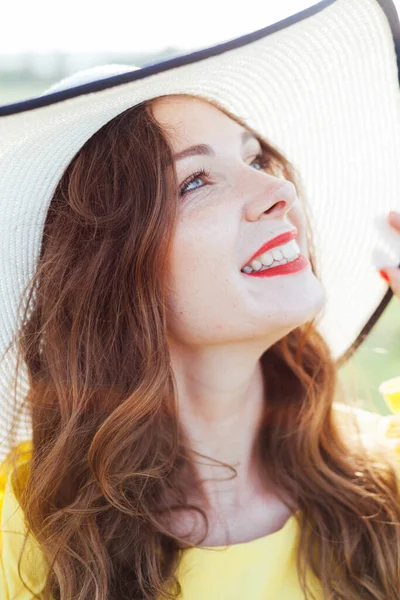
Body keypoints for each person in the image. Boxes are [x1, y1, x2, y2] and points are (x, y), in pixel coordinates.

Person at [1, 1, 400, 599]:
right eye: (195, 181)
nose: (279, 189)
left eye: (254, 156)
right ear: (110, 272)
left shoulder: (387, 480)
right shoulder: (21, 532)